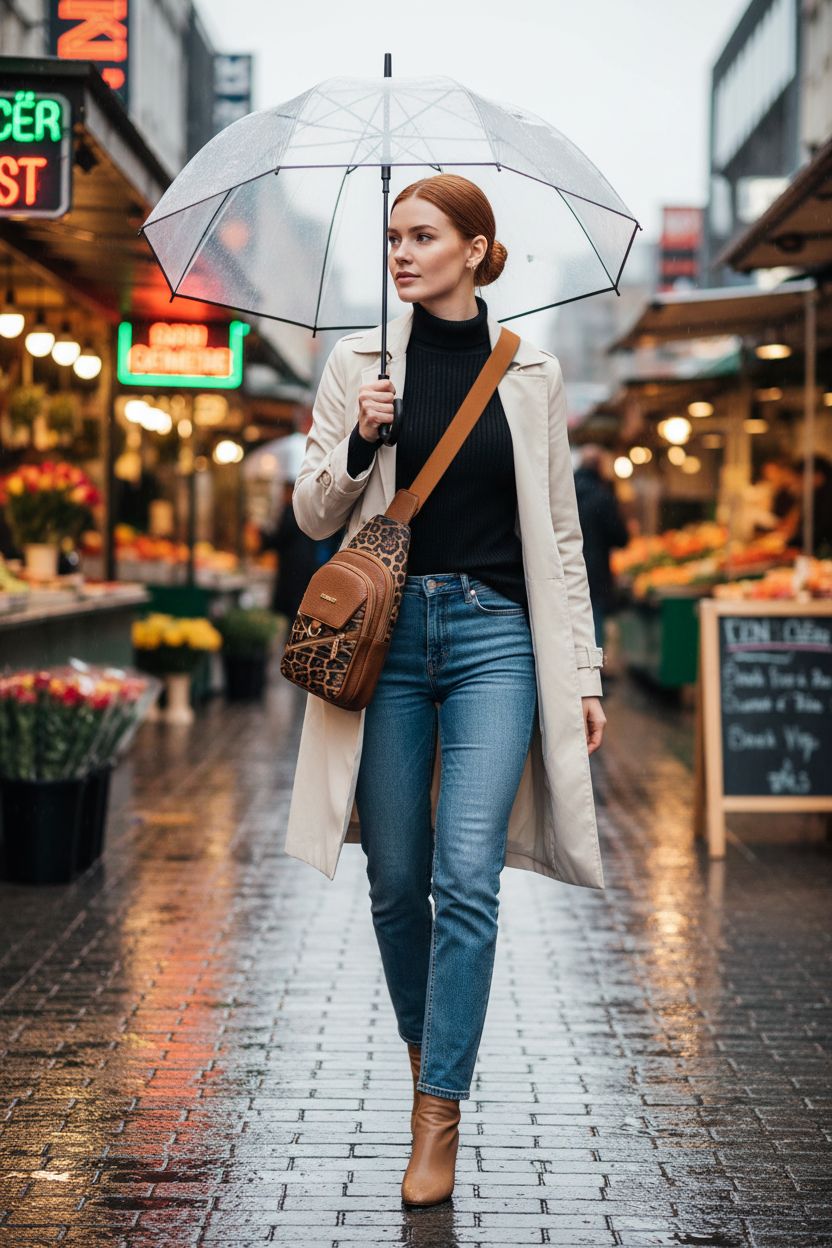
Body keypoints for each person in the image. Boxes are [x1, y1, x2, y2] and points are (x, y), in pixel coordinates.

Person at [284, 174, 607, 1208]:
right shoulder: (357, 367)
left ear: (475, 249)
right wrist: (361, 441)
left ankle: (439, 1113)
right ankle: (433, 1059)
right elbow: (309, 512)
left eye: (422, 236)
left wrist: (587, 673)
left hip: (495, 640)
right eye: (393, 236)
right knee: (394, 879)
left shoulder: (532, 374)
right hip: (387, 639)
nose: (401, 252)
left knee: (467, 876)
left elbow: (558, 532)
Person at [572, 444, 629, 650]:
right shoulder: (603, 496)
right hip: (596, 572)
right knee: (593, 619)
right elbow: (621, 537)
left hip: (567, 565)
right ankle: (593, 671)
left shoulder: (566, 493)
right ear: (599, 466)